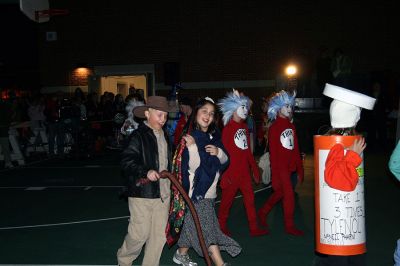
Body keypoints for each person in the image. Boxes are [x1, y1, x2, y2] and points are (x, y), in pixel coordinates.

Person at [172, 97, 241, 266]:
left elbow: (226, 162)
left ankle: (181, 255)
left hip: (210, 193)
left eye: (211, 113)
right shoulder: (191, 137)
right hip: (196, 194)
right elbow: (193, 168)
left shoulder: (214, 137)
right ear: (196, 113)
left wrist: (218, 152)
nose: (207, 116)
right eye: (204, 111)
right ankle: (220, 263)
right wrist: (193, 147)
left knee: (193, 226)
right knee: (208, 231)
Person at [313, 83, 376, 266]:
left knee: (356, 258)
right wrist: (353, 157)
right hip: (338, 229)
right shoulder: (336, 145)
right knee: (338, 261)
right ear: (353, 118)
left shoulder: (350, 141)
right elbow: (339, 181)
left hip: (351, 222)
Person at [116, 96, 173, 266]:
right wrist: (145, 171)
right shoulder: (137, 136)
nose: (163, 119)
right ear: (147, 114)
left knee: (159, 235)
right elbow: (127, 161)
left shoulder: (166, 136)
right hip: (142, 193)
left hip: (163, 194)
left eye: (165, 115)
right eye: (159, 115)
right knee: (139, 234)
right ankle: (124, 261)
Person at [217, 89, 268, 237]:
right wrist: (223, 174)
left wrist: (254, 169)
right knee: (226, 202)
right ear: (233, 109)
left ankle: (253, 227)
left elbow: (247, 151)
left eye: (246, 107)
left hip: (244, 173)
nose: (246, 110)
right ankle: (221, 226)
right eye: (243, 107)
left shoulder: (244, 127)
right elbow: (223, 155)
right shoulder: (227, 130)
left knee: (250, 200)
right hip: (232, 174)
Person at [257, 90, 305, 236]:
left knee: (280, 193)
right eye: (286, 106)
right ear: (278, 108)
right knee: (288, 194)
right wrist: (276, 175)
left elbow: (295, 148)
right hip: (281, 168)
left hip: (290, 167)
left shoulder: (291, 127)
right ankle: (289, 225)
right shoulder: (274, 128)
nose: (289, 109)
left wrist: (300, 168)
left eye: (290, 106)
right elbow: (274, 154)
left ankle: (263, 212)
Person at [0, 98, 15, 168]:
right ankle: (8, 162)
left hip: (3, 128)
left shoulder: (6, 107)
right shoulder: (6, 107)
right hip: (4, 129)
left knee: (5, 146)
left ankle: (8, 162)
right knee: (5, 146)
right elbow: (11, 115)